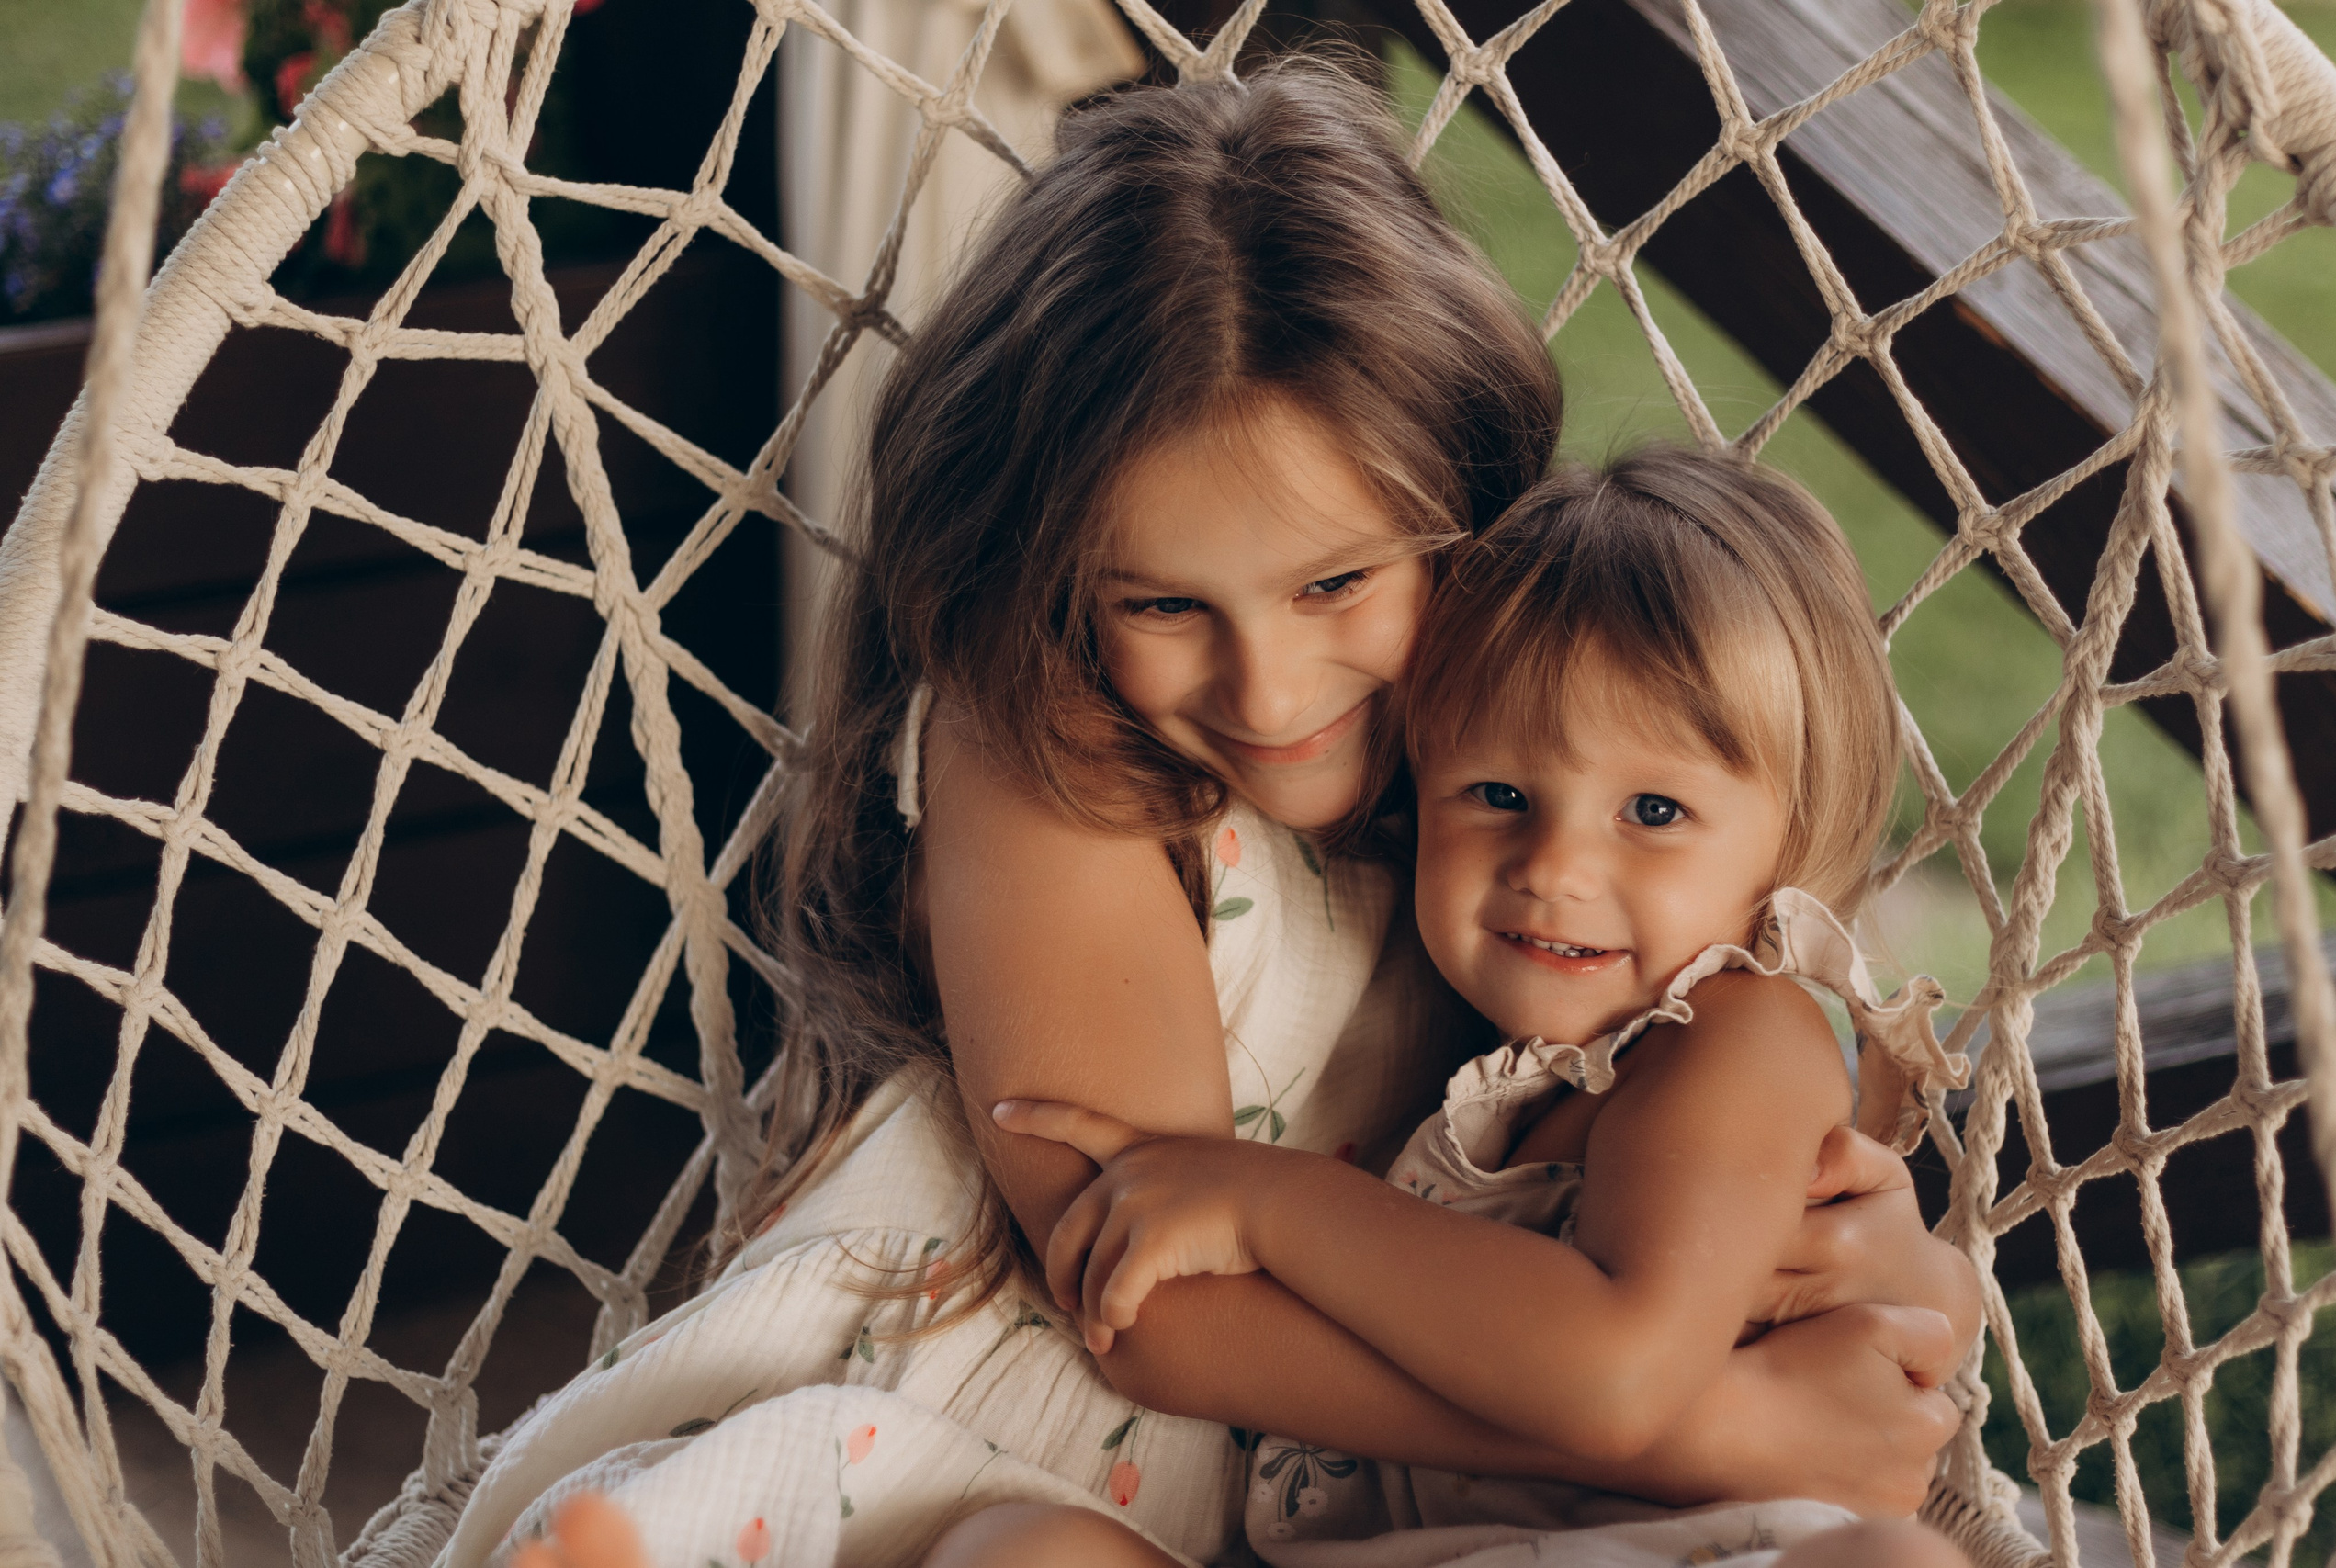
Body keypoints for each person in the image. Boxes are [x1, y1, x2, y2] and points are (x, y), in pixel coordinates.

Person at [439, 64, 1975, 1568]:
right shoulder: (1048, 745)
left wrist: (1890, 1272)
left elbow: (1754, 1152)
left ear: (1466, 515)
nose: (1270, 678)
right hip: (1004, 1416)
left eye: (1337, 584)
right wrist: (1715, 1424)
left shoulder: (1533, 764)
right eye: (1166, 601)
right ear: (1052, 580)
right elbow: (1155, 1304)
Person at [989, 449, 1981, 1568]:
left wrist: (1268, 1204)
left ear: (1788, 846)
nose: (1552, 865)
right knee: (1020, 1551)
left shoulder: (1741, 1037)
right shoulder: (1525, 1079)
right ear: (1419, 800)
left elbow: (1618, 1376)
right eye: (1498, 795)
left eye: (1653, 810)